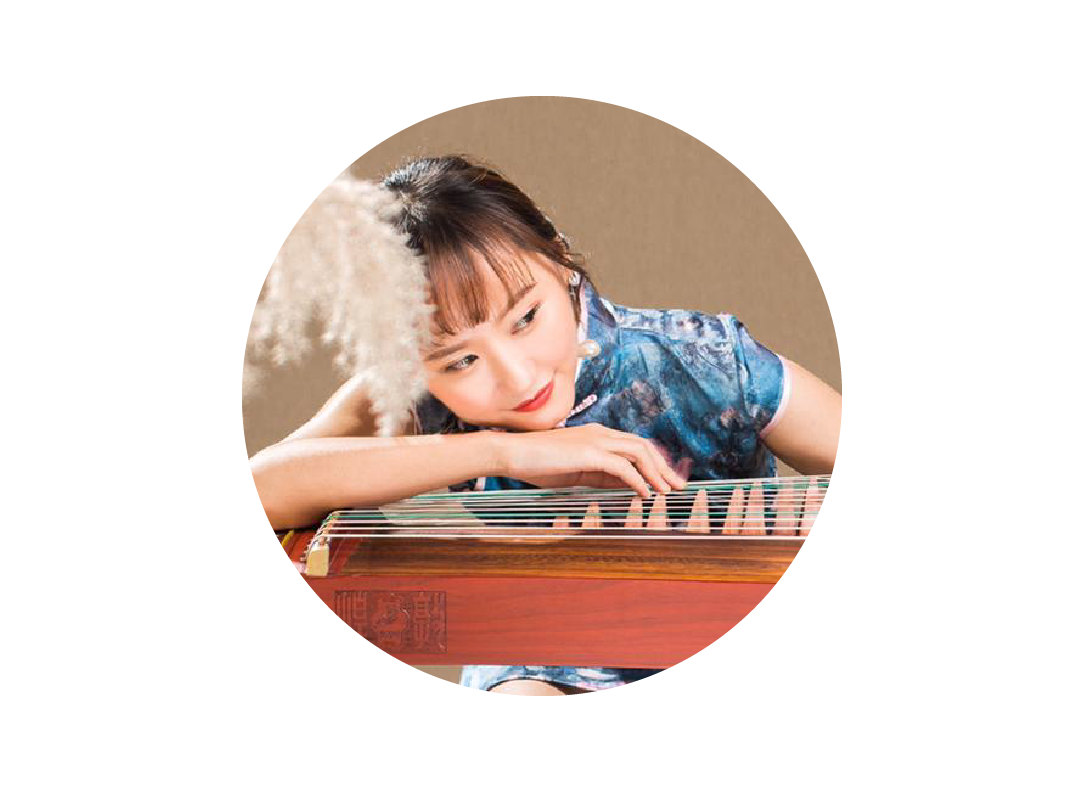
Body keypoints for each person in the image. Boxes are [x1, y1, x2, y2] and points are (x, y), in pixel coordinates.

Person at [249, 154, 842, 696]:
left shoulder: (701, 359)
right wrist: (500, 453)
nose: (516, 377)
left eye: (526, 318)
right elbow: (258, 489)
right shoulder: (419, 392)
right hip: (541, 650)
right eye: (461, 361)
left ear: (558, 259)